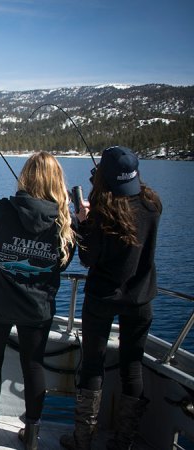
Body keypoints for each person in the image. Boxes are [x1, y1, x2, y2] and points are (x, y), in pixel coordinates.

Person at [60, 146, 162, 450]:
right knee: (133, 366)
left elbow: (88, 259)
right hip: (141, 299)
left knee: (92, 365)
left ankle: (83, 439)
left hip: (102, 299)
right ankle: (123, 442)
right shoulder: (153, 205)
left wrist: (81, 221)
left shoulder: (103, 214)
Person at [0, 152, 76, 450]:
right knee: (33, 366)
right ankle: (31, 436)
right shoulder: (63, 221)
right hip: (37, 308)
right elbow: (63, 264)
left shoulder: (3, 209)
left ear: (25, 176)